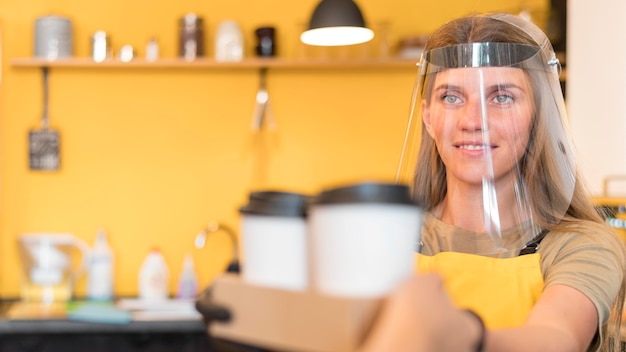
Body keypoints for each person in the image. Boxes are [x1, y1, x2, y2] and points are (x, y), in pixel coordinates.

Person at [363, 12, 626, 352]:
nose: (473, 120)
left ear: (538, 115)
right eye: (451, 97)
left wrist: (458, 335)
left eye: (502, 97)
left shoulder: (580, 245)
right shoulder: (387, 240)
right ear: (428, 117)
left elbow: (557, 338)